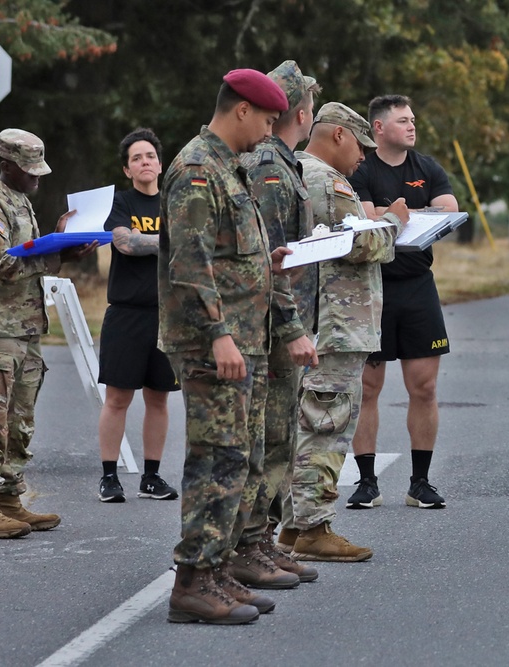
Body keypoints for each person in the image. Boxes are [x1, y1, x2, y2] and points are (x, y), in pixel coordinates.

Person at [159, 69, 292, 625]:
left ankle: (216, 572)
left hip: (244, 338)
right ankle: (191, 583)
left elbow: (225, 252)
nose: (268, 131)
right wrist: (218, 334)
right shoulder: (196, 170)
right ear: (241, 110)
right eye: (265, 120)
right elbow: (190, 264)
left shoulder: (228, 168)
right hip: (214, 342)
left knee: (237, 458)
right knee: (214, 459)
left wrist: (266, 264)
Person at [287, 101, 408, 562]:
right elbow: (354, 244)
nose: (364, 158)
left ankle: (292, 526)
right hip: (336, 322)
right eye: (361, 146)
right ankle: (314, 528)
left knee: (304, 421)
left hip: (317, 320)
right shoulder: (326, 180)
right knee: (326, 423)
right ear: (338, 135)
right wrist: (394, 222)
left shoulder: (298, 170)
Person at [0, 128, 98, 539]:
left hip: (25, 328)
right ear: (6, 166)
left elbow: (31, 257)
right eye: (30, 171)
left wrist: (62, 247)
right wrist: (55, 252)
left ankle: (9, 500)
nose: (38, 179)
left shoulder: (19, 200)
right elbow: (2, 264)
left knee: (20, 421)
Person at [347, 94, 457, 511]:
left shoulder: (426, 167)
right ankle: (366, 481)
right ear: (378, 128)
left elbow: (448, 208)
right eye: (402, 120)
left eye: (413, 119)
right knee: (368, 387)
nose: (412, 126)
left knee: (424, 387)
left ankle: (420, 483)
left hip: (417, 285)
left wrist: (399, 213)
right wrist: (403, 215)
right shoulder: (362, 169)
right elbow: (367, 218)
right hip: (373, 287)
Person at [237, 59, 321, 585]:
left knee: (280, 438)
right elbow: (269, 254)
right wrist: (290, 327)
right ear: (303, 112)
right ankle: (251, 544)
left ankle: (261, 540)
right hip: (269, 325)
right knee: (267, 439)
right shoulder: (270, 167)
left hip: (283, 319)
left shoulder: (284, 162)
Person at [96, 128, 180, 504]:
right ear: (127, 169)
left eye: (149, 156)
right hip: (127, 315)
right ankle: (109, 477)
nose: (144, 162)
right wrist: (172, 243)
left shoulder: (175, 203)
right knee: (117, 399)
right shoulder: (120, 202)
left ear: (160, 164)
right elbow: (124, 242)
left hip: (168, 315)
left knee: (159, 400)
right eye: (136, 158)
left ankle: (151, 476)